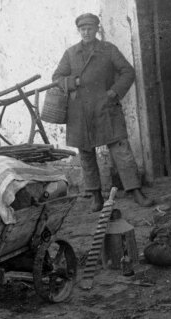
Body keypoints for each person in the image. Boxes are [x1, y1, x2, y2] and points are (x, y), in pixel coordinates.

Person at [52, 13, 153, 212]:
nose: (86, 32)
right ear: (78, 31)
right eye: (83, 29)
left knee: (122, 151)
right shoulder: (71, 53)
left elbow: (128, 72)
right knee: (87, 155)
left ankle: (135, 192)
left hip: (106, 108)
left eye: (90, 28)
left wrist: (114, 92)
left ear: (97, 29)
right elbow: (57, 77)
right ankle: (96, 196)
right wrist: (75, 82)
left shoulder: (108, 50)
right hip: (80, 111)